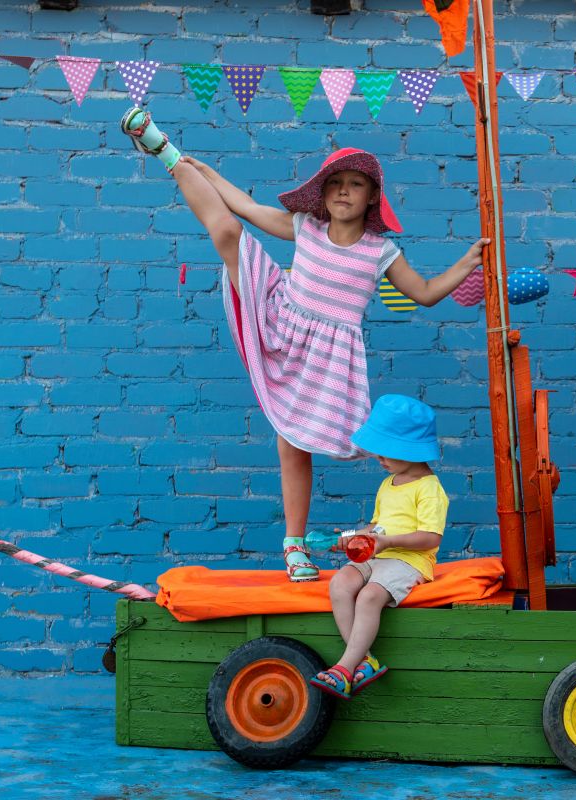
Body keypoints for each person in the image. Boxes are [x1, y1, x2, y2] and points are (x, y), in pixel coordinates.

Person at [119, 108, 485, 582]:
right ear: (323, 194)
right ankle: (164, 150)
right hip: (281, 320)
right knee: (228, 231)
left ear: (372, 196)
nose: (344, 191)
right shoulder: (305, 226)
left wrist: (468, 262)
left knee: (296, 445)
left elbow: (426, 293)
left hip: (327, 358)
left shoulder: (381, 251)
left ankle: (294, 545)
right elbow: (245, 207)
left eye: (356, 184)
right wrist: (205, 170)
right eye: (336, 184)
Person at [308, 394, 448, 698]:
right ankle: (364, 661)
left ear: (410, 450)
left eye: (386, 452)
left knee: (370, 596)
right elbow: (376, 526)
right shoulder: (388, 483)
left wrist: (387, 542)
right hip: (378, 554)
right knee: (340, 583)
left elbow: (431, 537)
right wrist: (350, 536)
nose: (379, 458)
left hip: (408, 561)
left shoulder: (429, 488)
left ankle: (344, 668)